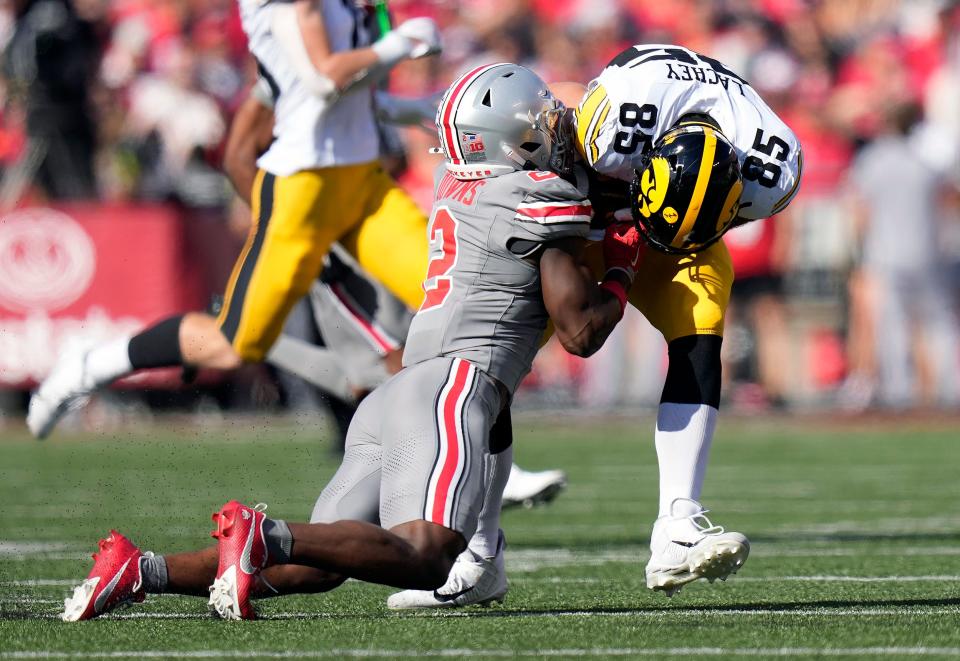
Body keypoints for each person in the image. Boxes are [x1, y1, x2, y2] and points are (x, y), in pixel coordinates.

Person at [59, 63, 639, 622]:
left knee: (315, 563)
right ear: (507, 143)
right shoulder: (537, 195)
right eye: (539, 122)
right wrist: (624, 264)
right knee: (428, 556)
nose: (556, 127)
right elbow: (580, 331)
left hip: (396, 397)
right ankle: (260, 532)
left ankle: (142, 571)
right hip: (452, 386)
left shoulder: (461, 183)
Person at [391, 43, 801, 606]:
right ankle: (480, 555)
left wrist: (658, 234)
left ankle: (679, 522)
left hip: (681, 224)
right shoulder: (608, 129)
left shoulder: (773, 174)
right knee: (492, 356)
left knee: (700, 332)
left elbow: (709, 212)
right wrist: (614, 245)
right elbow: (574, 183)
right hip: (596, 212)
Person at [26, 0, 441, 438]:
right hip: (303, 190)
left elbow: (340, 96)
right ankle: (95, 363)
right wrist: (400, 44)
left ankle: (481, 460)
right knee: (234, 343)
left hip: (362, 180)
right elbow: (322, 78)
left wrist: (405, 108)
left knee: (454, 293)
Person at [226, 74, 571, 501]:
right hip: (347, 268)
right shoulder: (316, 158)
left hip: (385, 262)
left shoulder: (380, 169)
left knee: (403, 373)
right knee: (384, 365)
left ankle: (471, 478)